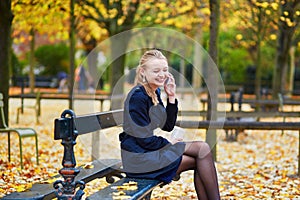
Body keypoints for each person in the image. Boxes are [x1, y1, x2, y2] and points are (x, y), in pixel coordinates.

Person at [119, 49, 220, 199]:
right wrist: (168, 144)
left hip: (147, 153)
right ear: (142, 72)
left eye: (165, 70)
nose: (162, 74)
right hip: (139, 159)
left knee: (201, 154)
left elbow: (167, 125)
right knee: (202, 150)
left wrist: (171, 97)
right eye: (156, 71)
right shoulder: (138, 97)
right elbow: (143, 139)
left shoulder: (153, 92)